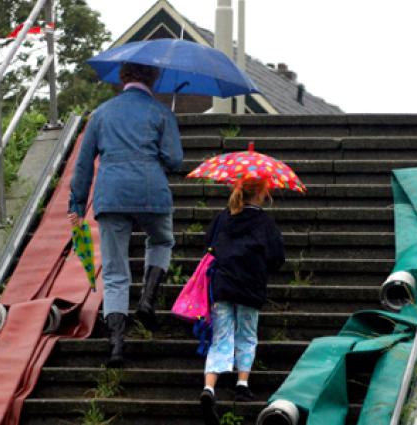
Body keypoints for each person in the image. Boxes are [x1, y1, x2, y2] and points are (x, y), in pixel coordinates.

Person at [67, 62, 183, 368]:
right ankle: (147, 298)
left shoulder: (101, 114)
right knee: (161, 240)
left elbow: (82, 164)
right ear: (153, 78)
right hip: (150, 191)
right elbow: (175, 160)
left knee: (116, 273)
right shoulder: (161, 113)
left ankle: (116, 347)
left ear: (123, 78)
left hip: (111, 194)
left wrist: (77, 205)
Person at [198, 177, 285, 425]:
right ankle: (242, 383)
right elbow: (277, 257)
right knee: (247, 334)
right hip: (250, 287)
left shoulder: (224, 218)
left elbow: (208, 245)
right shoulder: (264, 222)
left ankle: (209, 388)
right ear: (260, 194)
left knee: (220, 338)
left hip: (222, 285)